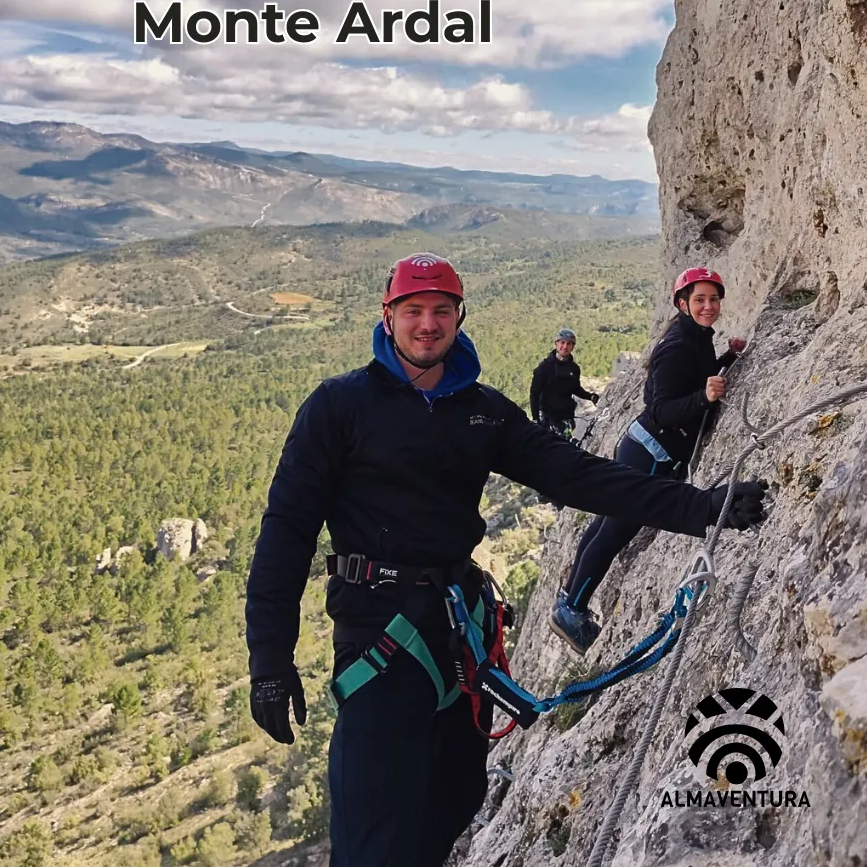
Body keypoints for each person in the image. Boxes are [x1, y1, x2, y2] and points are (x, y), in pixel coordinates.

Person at [244, 254, 764, 867]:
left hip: (458, 633)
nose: (427, 324)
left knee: (456, 800)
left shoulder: (481, 411)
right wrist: (270, 659)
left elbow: (582, 478)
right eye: (412, 311)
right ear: (387, 319)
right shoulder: (339, 408)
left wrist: (703, 507)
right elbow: (287, 532)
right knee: (374, 836)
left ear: (460, 316)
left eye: (441, 310)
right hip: (378, 639)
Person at [550, 267, 748, 657]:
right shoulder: (677, 345)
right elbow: (661, 410)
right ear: (682, 304)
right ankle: (571, 610)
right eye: (699, 300)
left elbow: (693, 378)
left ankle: (569, 596)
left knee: (607, 522)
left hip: (643, 447)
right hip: (654, 451)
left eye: (712, 299)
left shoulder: (696, 336)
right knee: (616, 530)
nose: (708, 306)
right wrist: (704, 399)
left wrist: (727, 356)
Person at [530, 327, 600, 437]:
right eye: (562, 342)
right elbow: (534, 393)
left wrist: (590, 397)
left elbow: (575, 389)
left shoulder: (574, 368)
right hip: (548, 418)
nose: (565, 346)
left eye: (569, 344)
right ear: (556, 344)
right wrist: (535, 419)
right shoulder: (544, 368)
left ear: (572, 347)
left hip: (567, 417)